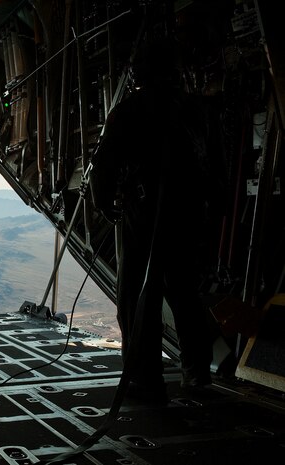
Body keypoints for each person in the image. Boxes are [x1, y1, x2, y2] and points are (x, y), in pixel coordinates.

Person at [89, 38, 215, 404]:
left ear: (139, 73)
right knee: (184, 294)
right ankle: (197, 372)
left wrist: (104, 203)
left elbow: (104, 167)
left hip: (145, 218)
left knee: (137, 297)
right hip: (187, 217)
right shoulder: (196, 110)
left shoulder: (130, 110)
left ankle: (146, 379)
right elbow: (213, 167)